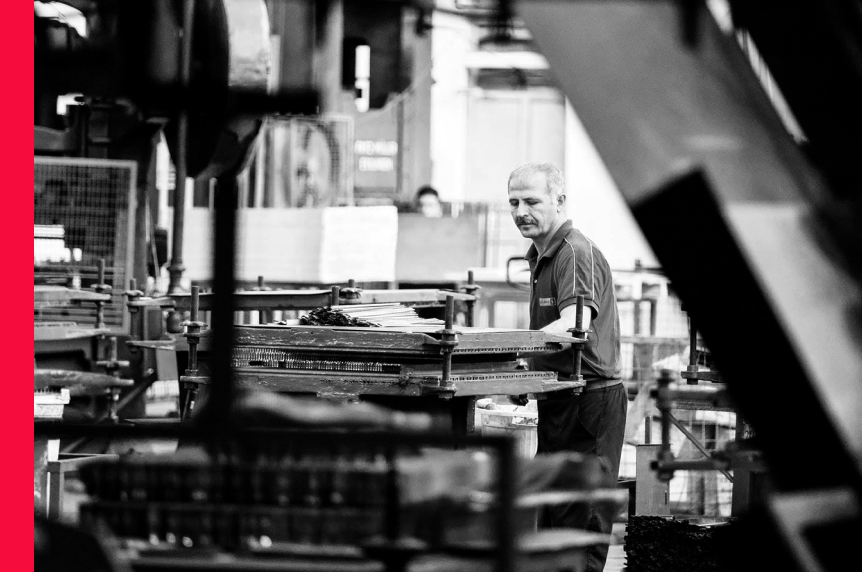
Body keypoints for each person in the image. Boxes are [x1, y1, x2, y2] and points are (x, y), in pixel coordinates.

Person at [508, 162, 625, 572]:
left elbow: (576, 322)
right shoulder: (540, 258)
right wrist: (527, 370)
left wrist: (519, 351)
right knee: (554, 520)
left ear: (559, 200)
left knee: (580, 523)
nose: (521, 210)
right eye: (514, 202)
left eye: (532, 201)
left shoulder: (574, 252)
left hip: (590, 403)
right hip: (559, 400)